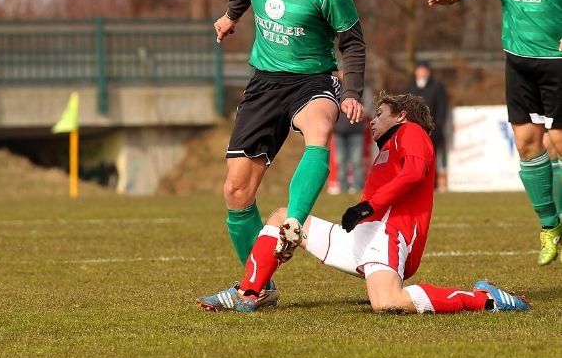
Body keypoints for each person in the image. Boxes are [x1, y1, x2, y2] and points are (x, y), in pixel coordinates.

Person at [198, 93, 531, 314]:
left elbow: (414, 173)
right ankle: (251, 292)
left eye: (381, 113)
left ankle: (485, 298)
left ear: (401, 116)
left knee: (387, 303)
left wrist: (366, 207)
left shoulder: (412, 132)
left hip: (388, 237)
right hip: (361, 239)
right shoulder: (389, 146)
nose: (372, 119)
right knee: (282, 217)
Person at [212, 0, 366, 306]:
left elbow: (352, 41)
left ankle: (293, 223)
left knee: (319, 127)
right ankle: (259, 286)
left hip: (312, 80)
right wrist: (230, 17)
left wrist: (351, 92)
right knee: (236, 191)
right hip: (264, 82)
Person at [428, 0, 562, 266]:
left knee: (558, 143)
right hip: (517, 60)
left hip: (557, 62)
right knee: (527, 144)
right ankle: (549, 226)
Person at [405, 61, 448, 191]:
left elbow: (442, 108)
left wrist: (437, 126)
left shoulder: (437, 87)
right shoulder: (410, 87)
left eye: (424, 70)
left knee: (431, 159)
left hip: (432, 131)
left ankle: (431, 186)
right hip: (414, 130)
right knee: (415, 159)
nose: (422, 72)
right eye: (420, 69)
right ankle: (416, 185)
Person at [334, 70, 372, 193]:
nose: (343, 73)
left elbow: (369, 106)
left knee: (357, 161)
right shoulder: (334, 86)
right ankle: (342, 187)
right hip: (338, 131)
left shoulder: (360, 86)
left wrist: (359, 115)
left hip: (356, 129)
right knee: (340, 161)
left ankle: (358, 187)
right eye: (341, 70)